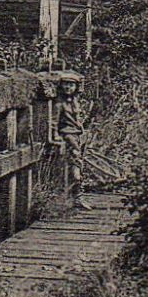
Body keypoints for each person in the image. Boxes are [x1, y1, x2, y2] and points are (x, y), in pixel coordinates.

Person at [54, 72, 92, 209]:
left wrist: (83, 130)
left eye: (71, 85)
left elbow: (78, 119)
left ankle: (76, 195)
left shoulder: (75, 101)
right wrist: (55, 135)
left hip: (77, 134)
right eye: (66, 84)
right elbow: (53, 121)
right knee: (76, 163)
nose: (68, 87)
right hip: (67, 134)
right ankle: (76, 196)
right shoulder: (59, 103)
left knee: (78, 163)